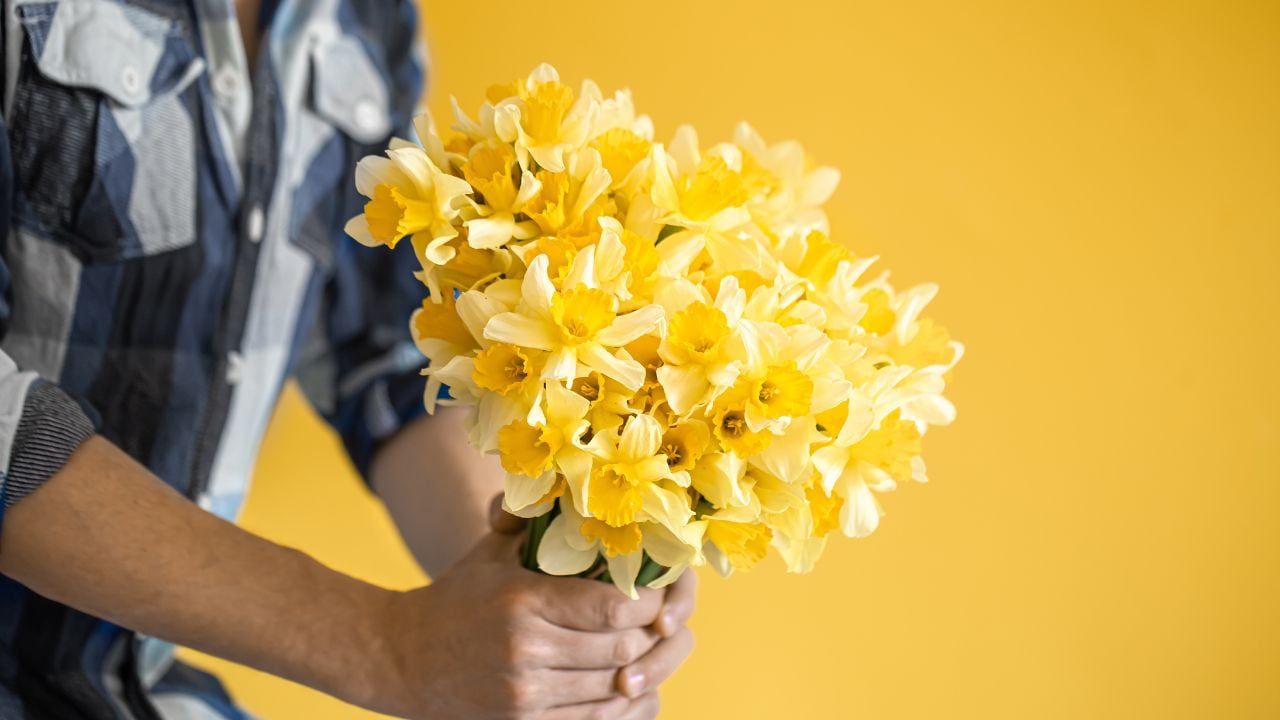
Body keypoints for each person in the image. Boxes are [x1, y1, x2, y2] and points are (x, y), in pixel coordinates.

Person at [0, 0, 696, 718]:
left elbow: (387, 355)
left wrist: (549, 628)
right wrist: (389, 648)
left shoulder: (369, 18)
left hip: (131, 687)